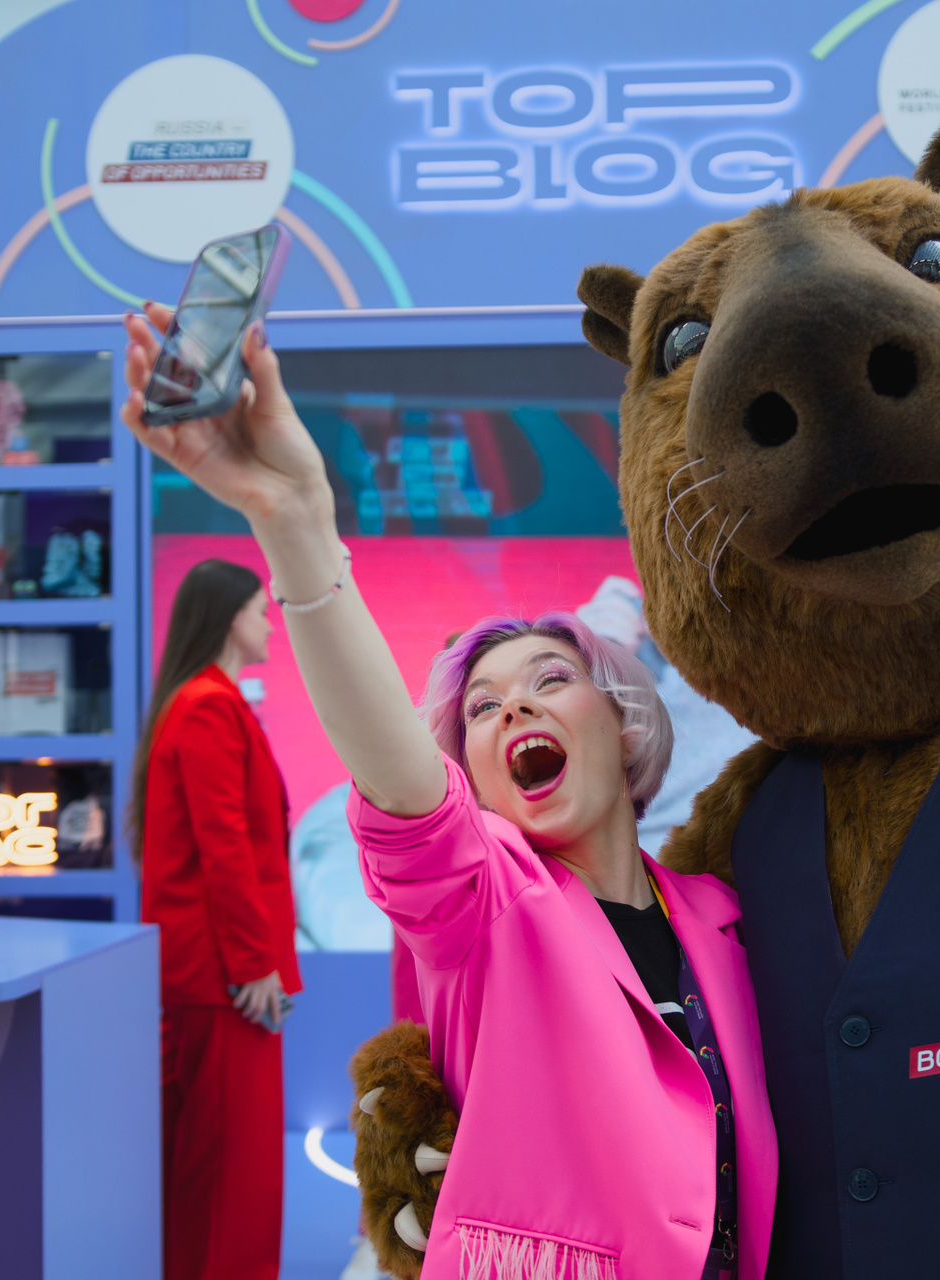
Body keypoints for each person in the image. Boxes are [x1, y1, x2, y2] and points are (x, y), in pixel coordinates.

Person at [121, 306, 777, 1280]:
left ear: (626, 719)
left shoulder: (725, 914)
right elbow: (400, 788)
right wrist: (295, 522)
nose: (515, 707)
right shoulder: (489, 904)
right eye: (482, 706)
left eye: (551, 679)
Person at [131, 557, 302, 1280]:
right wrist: (252, 963)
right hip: (224, 977)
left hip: (213, 972)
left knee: (212, 1162)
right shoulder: (207, 705)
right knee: (235, 1171)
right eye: (262, 610)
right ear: (232, 617)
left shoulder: (203, 701)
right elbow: (222, 845)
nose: (271, 625)